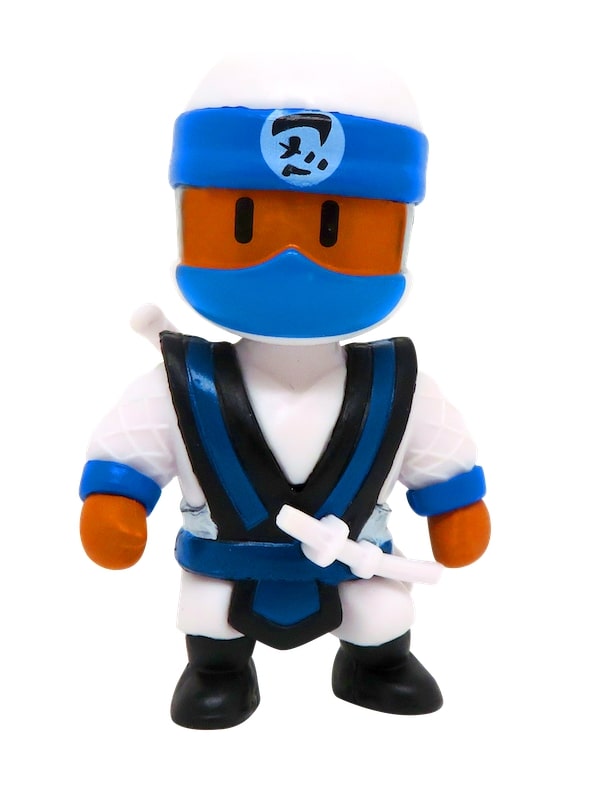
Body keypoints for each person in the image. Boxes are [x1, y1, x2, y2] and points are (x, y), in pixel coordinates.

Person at [79, 54, 490, 729]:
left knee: (380, 611)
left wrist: (455, 506)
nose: (292, 259)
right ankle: (218, 670)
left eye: (334, 230)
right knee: (210, 609)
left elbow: (439, 452)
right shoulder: (180, 384)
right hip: (226, 558)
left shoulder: (398, 384)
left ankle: (375, 665)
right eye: (244, 224)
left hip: (356, 562)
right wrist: (116, 500)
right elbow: (129, 449)